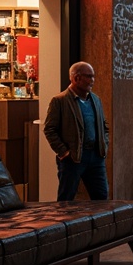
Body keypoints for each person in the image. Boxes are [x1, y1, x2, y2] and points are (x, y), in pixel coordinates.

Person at [44, 62, 110, 201]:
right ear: (76, 78)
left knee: (102, 197)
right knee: (67, 198)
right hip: (73, 158)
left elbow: (104, 126)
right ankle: (65, 222)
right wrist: (64, 152)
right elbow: (50, 129)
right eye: (89, 77)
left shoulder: (95, 100)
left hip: (96, 157)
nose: (92, 80)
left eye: (93, 77)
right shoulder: (60, 101)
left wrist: (104, 145)